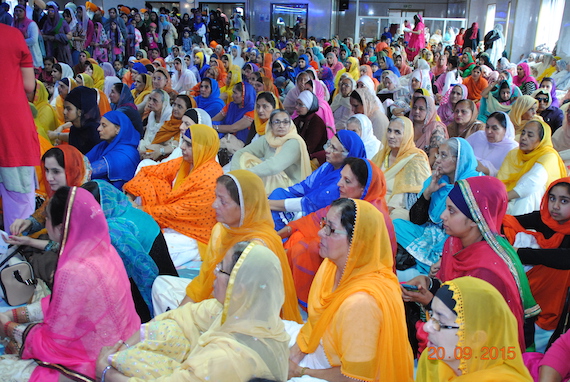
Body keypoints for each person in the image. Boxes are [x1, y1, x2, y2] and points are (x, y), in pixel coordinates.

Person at [0, 186, 140, 382]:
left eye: (47, 219)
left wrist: (9, 327)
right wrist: (13, 315)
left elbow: (53, 342)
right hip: (128, 343)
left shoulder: (73, 270)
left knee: (5, 369)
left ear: (60, 228)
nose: (45, 224)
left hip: (97, 363)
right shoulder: (104, 248)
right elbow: (64, 303)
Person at [95, 242, 289, 382]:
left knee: (124, 364)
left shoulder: (227, 358)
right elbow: (182, 315)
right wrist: (124, 347)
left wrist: (106, 373)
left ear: (239, 288)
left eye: (221, 269)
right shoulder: (249, 315)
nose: (215, 272)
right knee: (167, 328)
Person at [404, 176, 539, 351]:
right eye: (446, 208)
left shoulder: (488, 268)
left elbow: (477, 329)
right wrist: (429, 284)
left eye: (451, 211)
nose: (443, 216)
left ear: (476, 220)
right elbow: (450, 287)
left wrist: (430, 302)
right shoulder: (454, 243)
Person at [287, 198, 414, 381]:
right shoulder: (331, 267)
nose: (320, 232)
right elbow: (315, 324)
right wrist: (293, 356)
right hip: (322, 349)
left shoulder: (362, 303)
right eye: (324, 224)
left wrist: (300, 372)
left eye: (331, 229)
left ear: (357, 242)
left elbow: (358, 377)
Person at [279, 158, 396, 308]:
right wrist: (277, 236)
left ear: (364, 189)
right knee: (298, 236)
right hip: (339, 258)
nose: (339, 184)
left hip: (358, 273)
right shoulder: (347, 202)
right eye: (341, 177)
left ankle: (305, 300)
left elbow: (361, 258)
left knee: (307, 248)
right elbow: (313, 220)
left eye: (347, 181)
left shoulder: (371, 218)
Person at [125, 124, 223, 268]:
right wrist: (130, 195)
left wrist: (141, 209)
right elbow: (151, 171)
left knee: (150, 244)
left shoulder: (211, 177)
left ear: (203, 148)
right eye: (183, 141)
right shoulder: (187, 162)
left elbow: (177, 212)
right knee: (148, 170)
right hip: (171, 218)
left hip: (192, 233)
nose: (182, 147)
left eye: (189, 144)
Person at [82, 179, 177, 322]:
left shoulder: (114, 230)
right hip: (166, 278)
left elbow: (139, 270)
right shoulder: (126, 208)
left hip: (149, 279)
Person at [416, 277, 533, 381]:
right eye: (431, 315)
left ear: (476, 339)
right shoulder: (432, 360)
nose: (427, 327)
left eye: (441, 322)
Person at [393, 138, 479, 278]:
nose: (437, 160)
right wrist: (428, 192)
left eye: (443, 155)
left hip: (454, 235)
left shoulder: (472, 185)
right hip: (430, 232)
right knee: (396, 225)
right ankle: (427, 263)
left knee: (447, 247)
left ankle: (429, 264)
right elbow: (416, 220)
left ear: (459, 160)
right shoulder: (438, 180)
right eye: (438, 154)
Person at [503, 177, 570, 353]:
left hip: (561, 301)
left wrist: (520, 253)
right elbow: (508, 221)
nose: (555, 206)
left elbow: (566, 258)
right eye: (552, 198)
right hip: (537, 287)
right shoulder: (545, 218)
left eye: (564, 201)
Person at [6, 146, 88, 288]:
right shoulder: (59, 194)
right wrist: (27, 223)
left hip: (79, 257)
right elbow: (43, 215)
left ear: (70, 169)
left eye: (56, 171)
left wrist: (29, 242)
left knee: (49, 265)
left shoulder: (82, 201)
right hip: (60, 245)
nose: (49, 178)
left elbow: (70, 246)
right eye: (47, 170)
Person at [268, 130, 366, 231]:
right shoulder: (328, 166)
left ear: (348, 155)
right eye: (329, 145)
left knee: (271, 207)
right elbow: (305, 186)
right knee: (278, 193)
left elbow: (310, 204)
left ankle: (277, 236)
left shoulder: (343, 179)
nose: (327, 150)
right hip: (307, 202)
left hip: (319, 216)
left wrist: (268, 204)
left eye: (334, 148)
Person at [231, 109, 312, 194]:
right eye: (277, 122)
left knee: (270, 173)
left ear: (290, 124)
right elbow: (240, 153)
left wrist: (245, 174)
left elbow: (274, 167)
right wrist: (236, 175)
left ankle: (255, 197)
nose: (281, 125)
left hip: (292, 186)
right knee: (246, 157)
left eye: (285, 122)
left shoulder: (294, 142)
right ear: (270, 125)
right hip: (275, 181)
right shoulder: (268, 139)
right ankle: (239, 188)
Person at [498, 119, 566, 215]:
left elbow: (533, 182)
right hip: (507, 197)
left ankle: (517, 225)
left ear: (541, 140)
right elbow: (501, 179)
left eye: (530, 135)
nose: (524, 138)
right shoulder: (514, 153)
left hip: (533, 202)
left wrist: (503, 197)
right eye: (523, 133)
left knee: (530, 193)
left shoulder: (548, 155)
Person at [373, 116, 431, 220]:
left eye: (397, 132)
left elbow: (406, 194)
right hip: (374, 201)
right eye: (389, 131)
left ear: (407, 135)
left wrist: (386, 209)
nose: (391, 136)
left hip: (399, 207)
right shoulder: (381, 156)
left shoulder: (416, 159)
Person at [86, 110, 140, 190]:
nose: (98, 128)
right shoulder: (103, 146)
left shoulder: (125, 153)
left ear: (118, 129)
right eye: (100, 125)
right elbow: (82, 161)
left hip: (115, 197)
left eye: (104, 125)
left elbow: (88, 172)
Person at [466, 111, 519, 177]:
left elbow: (508, 175)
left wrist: (486, 170)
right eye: (487, 127)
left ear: (505, 130)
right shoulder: (478, 136)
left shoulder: (511, 148)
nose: (489, 131)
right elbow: (462, 151)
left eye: (494, 128)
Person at [411, 94, 448, 165]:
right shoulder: (408, 126)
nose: (417, 111)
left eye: (421, 109)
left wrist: (421, 172)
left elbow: (434, 156)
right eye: (414, 108)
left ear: (429, 111)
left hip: (428, 169)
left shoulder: (436, 128)